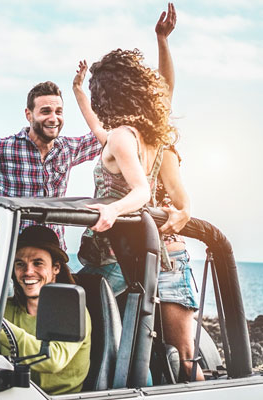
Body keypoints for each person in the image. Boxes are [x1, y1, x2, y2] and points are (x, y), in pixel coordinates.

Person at [74, 3, 200, 382]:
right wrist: (78, 91)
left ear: (106, 96)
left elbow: (141, 191)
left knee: (174, 359)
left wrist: (111, 211)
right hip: (158, 254)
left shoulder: (123, 136)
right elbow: (164, 91)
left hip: (125, 256)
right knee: (183, 362)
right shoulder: (147, 138)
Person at [0, 80, 106, 250]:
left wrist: (79, 91)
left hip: (54, 250)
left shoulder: (67, 148)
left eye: (58, 112)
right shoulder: (2, 148)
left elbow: (101, 135)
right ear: (29, 114)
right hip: (12, 250)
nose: (53, 118)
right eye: (45, 111)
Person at [0, 225, 91, 395]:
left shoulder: (71, 309)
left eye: (37, 263)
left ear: (56, 268)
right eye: (20, 264)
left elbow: (53, 359)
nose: (28, 272)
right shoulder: (5, 309)